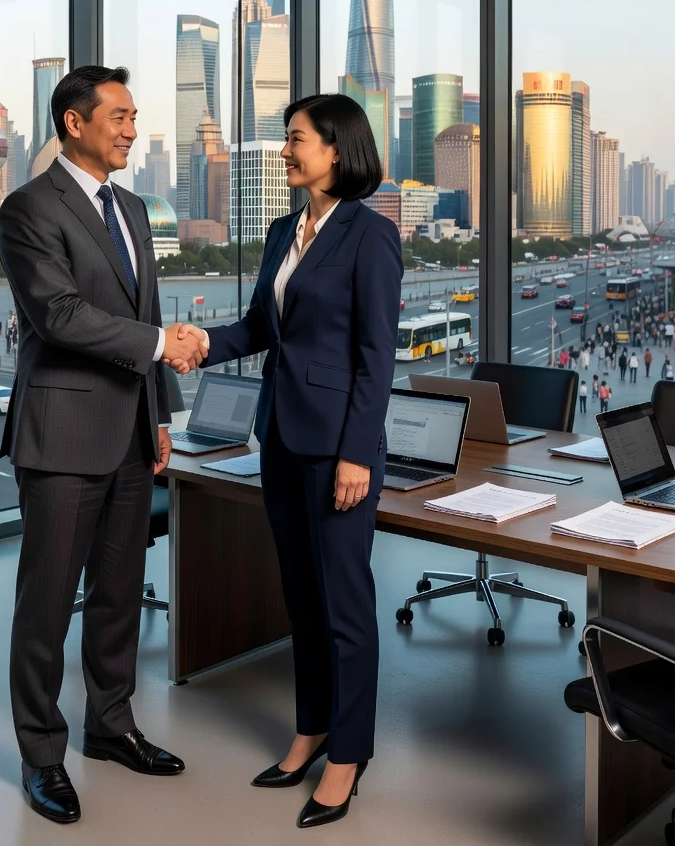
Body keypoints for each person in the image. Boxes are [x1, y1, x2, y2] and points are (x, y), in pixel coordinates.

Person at [173, 94, 401, 828]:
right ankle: (312, 730)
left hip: (338, 449)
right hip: (279, 436)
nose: (283, 152)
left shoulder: (372, 236)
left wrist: (357, 454)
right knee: (301, 598)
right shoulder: (281, 231)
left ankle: (349, 755)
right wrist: (203, 343)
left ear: (336, 148)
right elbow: (259, 328)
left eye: (295, 139)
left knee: (345, 608)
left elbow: (376, 358)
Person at [0, 66, 199, 825]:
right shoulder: (29, 207)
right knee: (46, 606)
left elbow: (145, 309)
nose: (131, 130)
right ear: (74, 123)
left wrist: (162, 417)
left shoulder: (133, 208)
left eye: (134, 116)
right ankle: (41, 755)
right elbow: (58, 314)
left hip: (131, 433)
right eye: (118, 116)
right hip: (62, 437)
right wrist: (162, 343)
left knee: (119, 596)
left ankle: (111, 727)